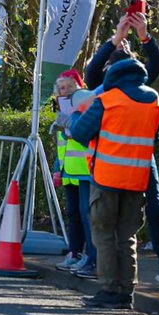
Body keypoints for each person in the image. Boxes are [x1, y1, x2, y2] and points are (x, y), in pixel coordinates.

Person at [83, 10, 159, 290]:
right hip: (116, 163)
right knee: (113, 226)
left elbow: (158, 63)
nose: (123, 47)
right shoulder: (104, 83)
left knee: (152, 210)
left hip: (139, 159)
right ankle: (111, 275)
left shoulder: (139, 81)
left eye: (127, 47)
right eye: (119, 47)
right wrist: (115, 38)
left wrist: (144, 36)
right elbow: (91, 71)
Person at [70, 57, 159, 310]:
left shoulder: (107, 100)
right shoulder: (154, 100)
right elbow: (156, 135)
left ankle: (109, 289)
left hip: (106, 178)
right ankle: (127, 291)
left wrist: (71, 119)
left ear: (113, 77)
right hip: (137, 179)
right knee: (127, 236)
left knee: (103, 234)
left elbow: (80, 133)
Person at [52, 73, 96, 275]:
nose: (65, 90)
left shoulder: (86, 108)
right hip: (69, 171)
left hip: (85, 171)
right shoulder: (61, 110)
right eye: (61, 87)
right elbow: (61, 146)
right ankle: (75, 252)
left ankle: (89, 256)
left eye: (69, 86)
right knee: (73, 214)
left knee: (86, 214)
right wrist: (57, 169)